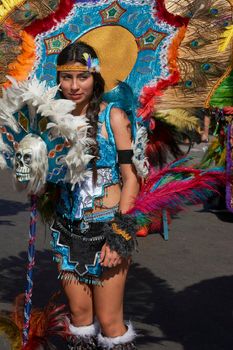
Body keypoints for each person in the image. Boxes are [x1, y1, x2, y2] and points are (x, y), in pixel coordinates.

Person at [50, 41, 140, 350]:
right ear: (58, 78)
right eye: (66, 77)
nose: (74, 86)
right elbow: (43, 178)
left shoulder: (112, 117)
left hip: (107, 229)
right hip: (65, 230)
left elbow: (131, 178)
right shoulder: (51, 121)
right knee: (79, 315)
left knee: (110, 320)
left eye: (82, 77)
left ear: (95, 76)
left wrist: (120, 233)